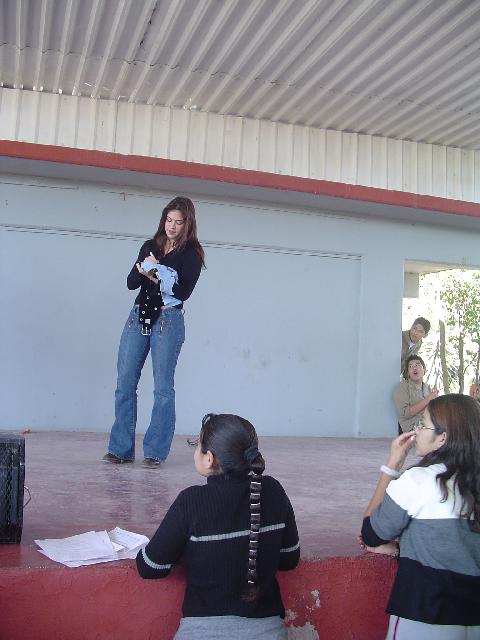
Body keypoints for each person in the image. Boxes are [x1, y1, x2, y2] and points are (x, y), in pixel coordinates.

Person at [136, 413, 300, 640]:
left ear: (209, 459)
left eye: (198, 445)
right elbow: (289, 559)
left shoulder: (191, 502)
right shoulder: (273, 491)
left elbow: (149, 567)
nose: (196, 452)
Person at [361, 394, 480, 639]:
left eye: (423, 425)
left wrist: (392, 465)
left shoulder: (419, 480)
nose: (416, 431)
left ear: (442, 438)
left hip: (424, 615)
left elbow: (371, 533)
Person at [103, 196, 204, 468]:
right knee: (125, 382)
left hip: (167, 319)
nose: (172, 226)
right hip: (138, 316)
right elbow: (130, 282)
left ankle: (155, 453)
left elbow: (183, 292)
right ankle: (120, 450)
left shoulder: (192, 254)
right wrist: (144, 272)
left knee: (163, 388)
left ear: (188, 224)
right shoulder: (150, 246)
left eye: (178, 222)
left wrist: (155, 274)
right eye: (168, 220)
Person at [394, 355, 438, 434]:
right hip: (413, 429)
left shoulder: (427, 388)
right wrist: (429, 399)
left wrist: (436, 399)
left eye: (417, 365)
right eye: (411, 366)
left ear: (424, 370)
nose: (414, 368)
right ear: (408, 373)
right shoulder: (402, 387)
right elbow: (405, 414)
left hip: (429, 424)